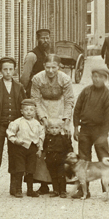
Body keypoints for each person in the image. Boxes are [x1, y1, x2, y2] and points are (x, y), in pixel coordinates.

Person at [30, 54, 75, 194]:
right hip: (43, 108)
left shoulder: (65, 79)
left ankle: (63, 183)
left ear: (59, 67)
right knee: (43, 146)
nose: (50, 71)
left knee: (62, 146)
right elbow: (35, 99)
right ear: (44, 66)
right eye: (48, 67)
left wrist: (66, 121)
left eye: (54, 67)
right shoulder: (37, 79)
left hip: (60, 109)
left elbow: (69, 100)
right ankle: (43, 183)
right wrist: (42, 118)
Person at [72, 66, 109, 199]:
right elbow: (77, 109)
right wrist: (75, 127)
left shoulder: (108, 96)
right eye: (94, 76)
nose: (96, 79)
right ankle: (83, 190)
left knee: (104, 160)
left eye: (100, 77)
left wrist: (104, 135)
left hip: (99, 131)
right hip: (85, 130)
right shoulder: (86, 91)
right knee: (83, 160)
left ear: (105, 79)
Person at [0, 57, 27, 198]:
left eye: (10, 69)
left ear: (14, 70)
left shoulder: (19, 87)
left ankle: (15, 186)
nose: (8, 72)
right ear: (0, 70)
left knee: (16, 155)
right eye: (5, 69)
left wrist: (23, 127)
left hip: (15, 127)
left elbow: (24, 107)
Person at [6, 99, 46, 198]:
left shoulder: (37, 123)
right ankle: (18, 189)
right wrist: (15, 141)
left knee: (30, 169)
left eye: (31, 110)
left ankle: (30, 190)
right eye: (26, 110)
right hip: (20, 148)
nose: (29, 112)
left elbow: (41, 135)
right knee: (20, 168)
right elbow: (10, 133)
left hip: (32, 148)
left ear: (35, 111)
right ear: (21, 111)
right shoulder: (18, 122)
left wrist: (39, 148)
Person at [43, 119, 73, 198]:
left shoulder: (63, 138)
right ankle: (55, 190)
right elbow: (44, 147)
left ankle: (63, 190)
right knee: (53, 175)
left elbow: (69, 147)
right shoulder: (47, 138)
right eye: (52, 128)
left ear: (60, 129)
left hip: (61, 159)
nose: (54, 130)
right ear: (48, 129)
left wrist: (69, 154)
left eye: (56, 128)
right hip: (50, 159)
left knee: (61, 175)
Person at [20, 29, 52, 97]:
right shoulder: (32, 55)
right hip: (34, 90)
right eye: (43, 38)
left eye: (47, 38)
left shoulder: (46, 54)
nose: (45, 40)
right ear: (37, 39)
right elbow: (25, 77)